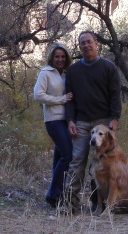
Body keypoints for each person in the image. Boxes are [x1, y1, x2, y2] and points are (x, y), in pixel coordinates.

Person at [64, 30, 122, 210]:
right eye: (83, 43)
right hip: (81, 122)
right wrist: (70, 120)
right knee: (77, 162)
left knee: (105, 163)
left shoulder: (108, 67)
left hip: (103, 123)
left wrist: (114, 120)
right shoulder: (73, 70)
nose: (86, 45)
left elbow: (115, 96)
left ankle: (103, 203)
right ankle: (70, 204)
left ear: (96, 43)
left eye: (89, 42)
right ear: (79, 47)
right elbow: (69, 99)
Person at [34, 42, 73, 208]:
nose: (60, 59)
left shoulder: (64, 73)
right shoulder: (46, 73)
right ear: (52, 57)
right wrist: (60, 100)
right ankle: (53, 195)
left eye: (63, 57)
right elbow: (38, 95)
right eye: (57, 56)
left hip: (65, 120)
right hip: (53, 120)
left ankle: (58, 196)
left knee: (59, 158)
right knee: (68, 155)